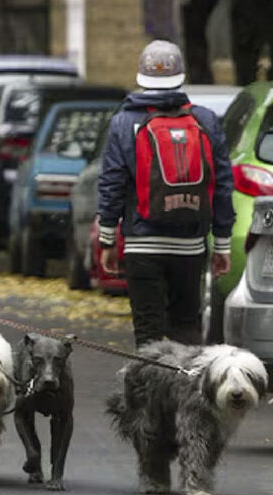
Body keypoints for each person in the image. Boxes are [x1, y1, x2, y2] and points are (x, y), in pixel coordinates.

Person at [98, 40, 233, 348]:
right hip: (189, 246)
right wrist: (222, 244)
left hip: (142, 245)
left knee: (148, 334)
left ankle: (149, 379)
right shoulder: (205, 121)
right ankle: (183, 379)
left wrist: (107, 239)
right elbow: (223, 184)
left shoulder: (123, 122)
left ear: (141, 77)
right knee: (186, 329)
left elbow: (111, 184)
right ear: (180, 77)